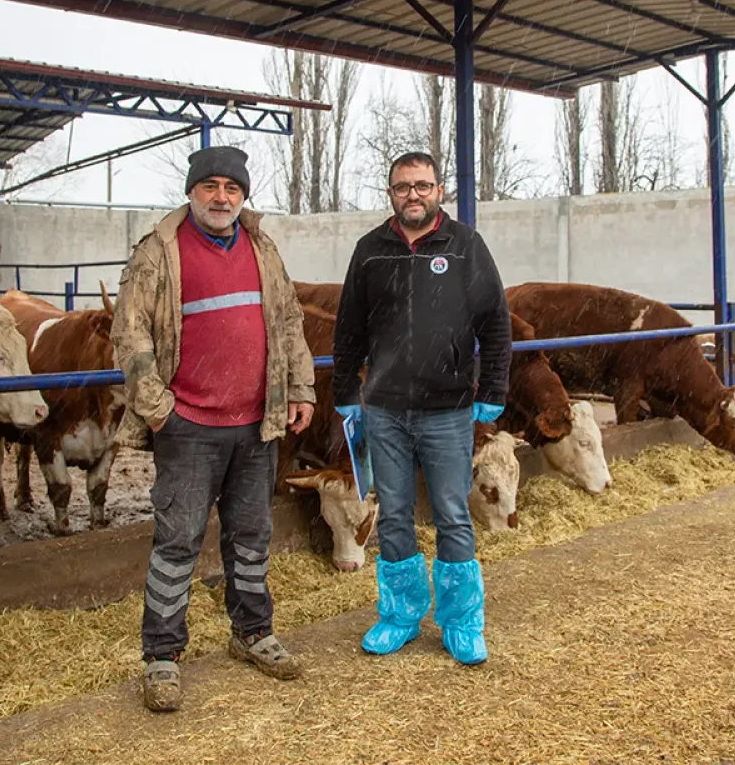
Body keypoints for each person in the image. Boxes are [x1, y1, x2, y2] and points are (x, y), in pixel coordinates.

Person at [111, 145, 316, 712]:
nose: (222, 197)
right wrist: (158, 409)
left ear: (242, 195)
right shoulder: (159, 252)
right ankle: (161, 654)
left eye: (232, 188)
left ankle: (252, 632)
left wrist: (300, 388)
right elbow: (129, 333)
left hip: (255, 424)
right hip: (188, 426)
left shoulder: (261, 246)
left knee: (251, 535)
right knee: (178, 540)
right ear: (192, 191)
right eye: (211, 186)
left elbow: (289, 320)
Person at [332, 151, 512, 664]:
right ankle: (400, 615)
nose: (413, 194)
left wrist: (492, 389)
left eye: (423, 185)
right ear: (391, 193)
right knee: (393, 514)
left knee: (453, 514)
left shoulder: (465, 246)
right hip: (384, 409)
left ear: (439, 190)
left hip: (447, 409)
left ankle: (461, 622)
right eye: (403, 186)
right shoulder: (371, 250)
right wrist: (344, 391)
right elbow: (349, 328)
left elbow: (495, 322)